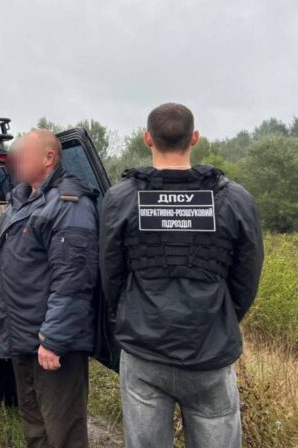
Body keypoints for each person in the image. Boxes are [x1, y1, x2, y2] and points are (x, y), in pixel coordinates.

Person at [100, 103, 264, 448]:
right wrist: (225, 317)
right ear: (194, 138)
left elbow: (110, 274)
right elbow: (247, 277)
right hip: (211, 351)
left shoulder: (121, 199)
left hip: (144, 350)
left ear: (147, 139)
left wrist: (127, 316)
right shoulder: (235, 199)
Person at [0, 129, 99, 448]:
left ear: (48, 158)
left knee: (63, 429)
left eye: (23, 156)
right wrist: (1, 324)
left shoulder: (69, 203)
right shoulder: (20, 202)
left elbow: (73, 278)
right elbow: (7, 268)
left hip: (52, 342)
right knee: (35, 426)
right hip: (22, 335)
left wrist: (54, 339)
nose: (15, 163)